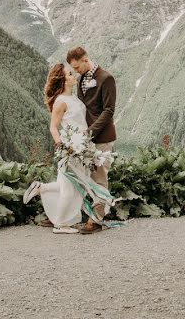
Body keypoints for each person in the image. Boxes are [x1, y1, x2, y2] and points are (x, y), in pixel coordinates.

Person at [22, 62, 111, 234]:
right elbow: (53, 127)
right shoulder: (60, 102)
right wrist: (62, 145)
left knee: (68, 184)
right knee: (71, 188)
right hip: (70, 147)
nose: (74, 75)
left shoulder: (73, 98)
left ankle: (41, 188)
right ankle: (60, 225)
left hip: (81, 145)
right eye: (70, 74)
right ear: (62, 80)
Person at [66, 46, 117, 235]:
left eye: (77, 67)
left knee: (100, 177)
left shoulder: (106, 78)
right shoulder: (80, 80)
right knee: (83, 176)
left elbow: (109, 110)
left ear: (85, 60)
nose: (76, 71)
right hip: (84, 137)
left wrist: (91, 131)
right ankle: (76, 213)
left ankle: (97, 219)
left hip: (102, 137)